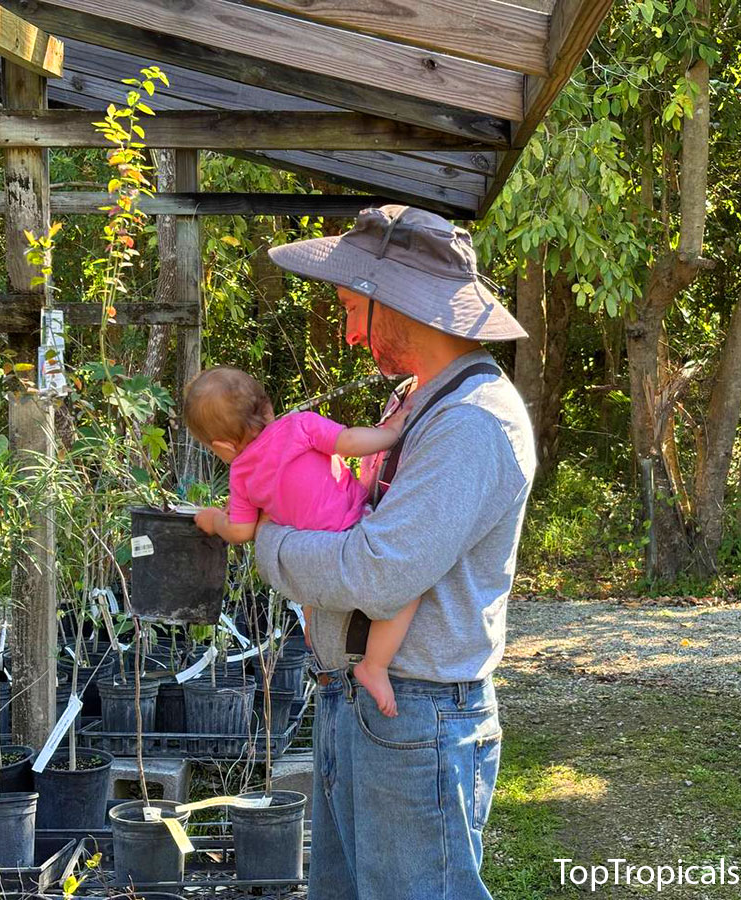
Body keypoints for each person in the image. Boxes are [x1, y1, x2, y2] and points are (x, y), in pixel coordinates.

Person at [255, 205, 536, 900]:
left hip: (413, 715)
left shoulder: (470, 423)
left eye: (355, 308)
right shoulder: (419, 402)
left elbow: (379, 573)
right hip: (372, 707)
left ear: (401, 304)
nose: (349, 333)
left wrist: (265, 542)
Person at [183, 365, 417, 715]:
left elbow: (242, 532)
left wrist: (215, 519)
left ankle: (314, 629)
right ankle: (376, 665)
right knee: (405, 587)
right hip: (350, 528)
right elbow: (351, 442)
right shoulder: (299, 426)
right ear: (267, 408)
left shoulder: (242, 472)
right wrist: (392, 431)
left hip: (307, 556)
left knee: (306, 584)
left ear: (221, 446)